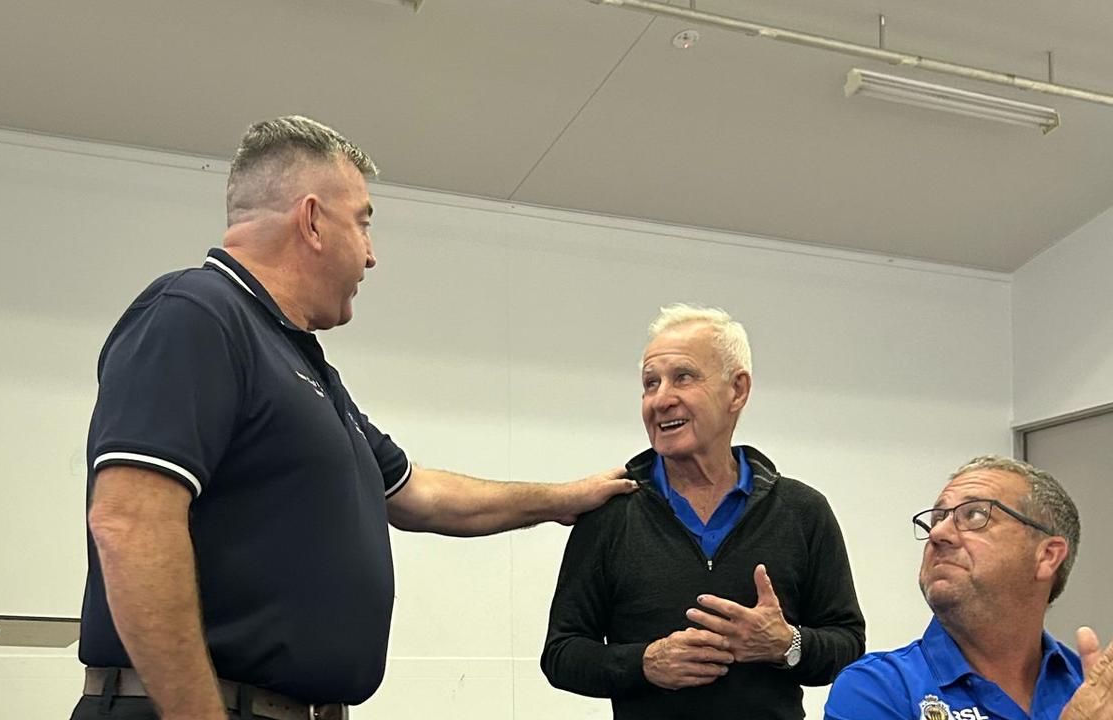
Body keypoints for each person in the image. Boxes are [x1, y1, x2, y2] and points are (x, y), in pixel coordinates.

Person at [70, 116, 638, 720]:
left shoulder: (301, 363)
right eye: (363, 223)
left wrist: (562, 499)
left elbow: (420, 493)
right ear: (312, 220)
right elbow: (130, 523)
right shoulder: (196, 313)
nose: (371, 255)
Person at [540, 304, 866, 718]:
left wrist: (786, 644)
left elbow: (849, 644)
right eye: (649, 383)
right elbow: (562, 653)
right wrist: (644, 663)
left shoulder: (804, 512)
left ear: (737, 390)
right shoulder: (609, 512)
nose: (660, 400)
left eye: (683, 377)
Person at [824, 455, 1113, 720]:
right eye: (938, 518)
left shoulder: (1093, 692)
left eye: (974, 515)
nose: (937, 533)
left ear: (1047, 556)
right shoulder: (878, 688)